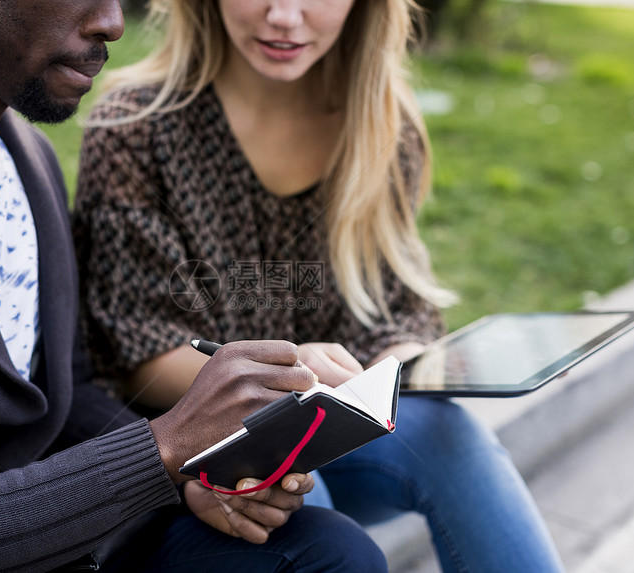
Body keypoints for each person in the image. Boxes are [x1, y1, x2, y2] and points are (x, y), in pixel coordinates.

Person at [0, 0, 389, 571]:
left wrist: (193, 470)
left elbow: (65, 399)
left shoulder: (28, 158)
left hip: (67, 540)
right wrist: (162, 449)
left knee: (329, 550)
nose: (113, 23)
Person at [73, 0, 567, 571]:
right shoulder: (136, 124)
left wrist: (410, 364)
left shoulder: (380, 121)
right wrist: (283, 378)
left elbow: (396, 305)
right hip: (200, 452)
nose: (284, 16)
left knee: (453, 438)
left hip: (343, 427)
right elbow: (137, 356)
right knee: (289, 477)